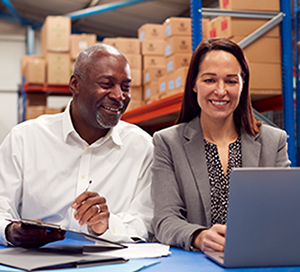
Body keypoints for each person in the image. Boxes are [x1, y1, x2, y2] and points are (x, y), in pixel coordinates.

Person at [0, 43, 153, 248]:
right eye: (107, 84)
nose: (119, 96)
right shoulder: (25, 139)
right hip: (34, 264)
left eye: (125, 87)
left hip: (111, 268)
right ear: (75, 84)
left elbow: (146, 221)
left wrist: (108, 226)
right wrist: (10, 231)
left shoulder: (142, 147)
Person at [151, 38, 290, 252]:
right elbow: (164, 220)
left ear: (243, 86)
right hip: (197, 266)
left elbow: (284, 212)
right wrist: (199, 236)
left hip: (256, 262)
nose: (221, 90)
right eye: (209, 80)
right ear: (194, 84)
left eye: (231, 81)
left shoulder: (274, 141)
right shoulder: (168, 143)